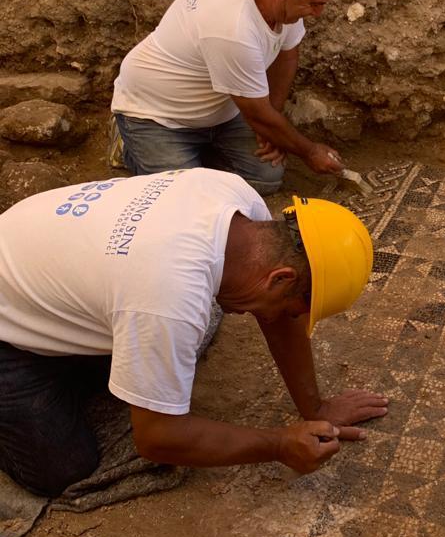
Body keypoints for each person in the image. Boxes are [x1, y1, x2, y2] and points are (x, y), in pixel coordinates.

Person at [0, 167, 388, 498]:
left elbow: (278, 318)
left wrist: (315, 408)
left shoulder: (236, 201)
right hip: (7, 330)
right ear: (280, 278)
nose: (285, 319)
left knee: (153, 361)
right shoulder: (169, 296)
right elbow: (157, 440)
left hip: (31, 271)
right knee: (61, 469)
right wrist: (280, 444)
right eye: (293, 309)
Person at [111, 0, 354, 194]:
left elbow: (287, 54)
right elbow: (256, 111)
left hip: (222, 112)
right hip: (158, 116)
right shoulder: (231, 26)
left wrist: (271, 124)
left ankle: (200, 157)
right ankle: (128, 142)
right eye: (315, 4)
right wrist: (310, 151)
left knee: (266, 178)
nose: (318, 12)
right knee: (182, 199)